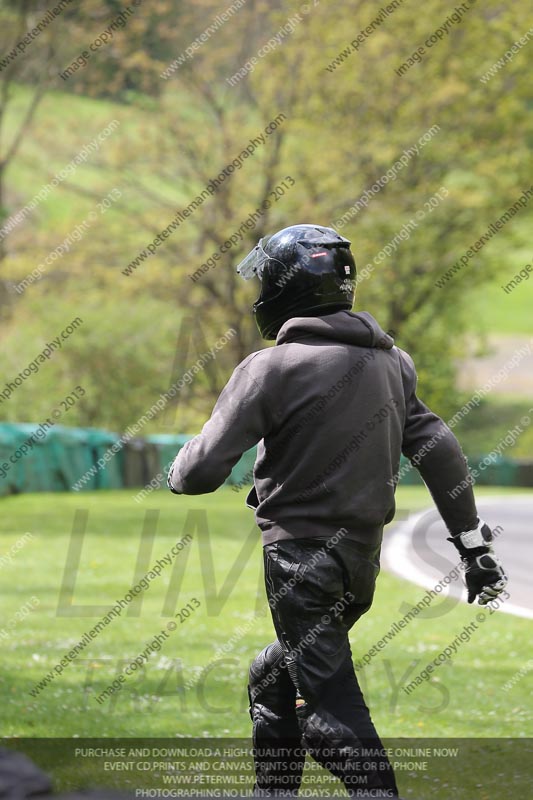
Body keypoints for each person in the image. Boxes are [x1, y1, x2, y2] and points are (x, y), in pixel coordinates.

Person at [167, 224, 507, 798]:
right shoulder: (391, 364)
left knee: (332, 717)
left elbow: (198, 475)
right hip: (358, 565)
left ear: (284, 288)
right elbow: (441, 451)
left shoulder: (269, 368)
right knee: (272, 678)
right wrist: (473, 549)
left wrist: (179, 468)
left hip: (299, 563)